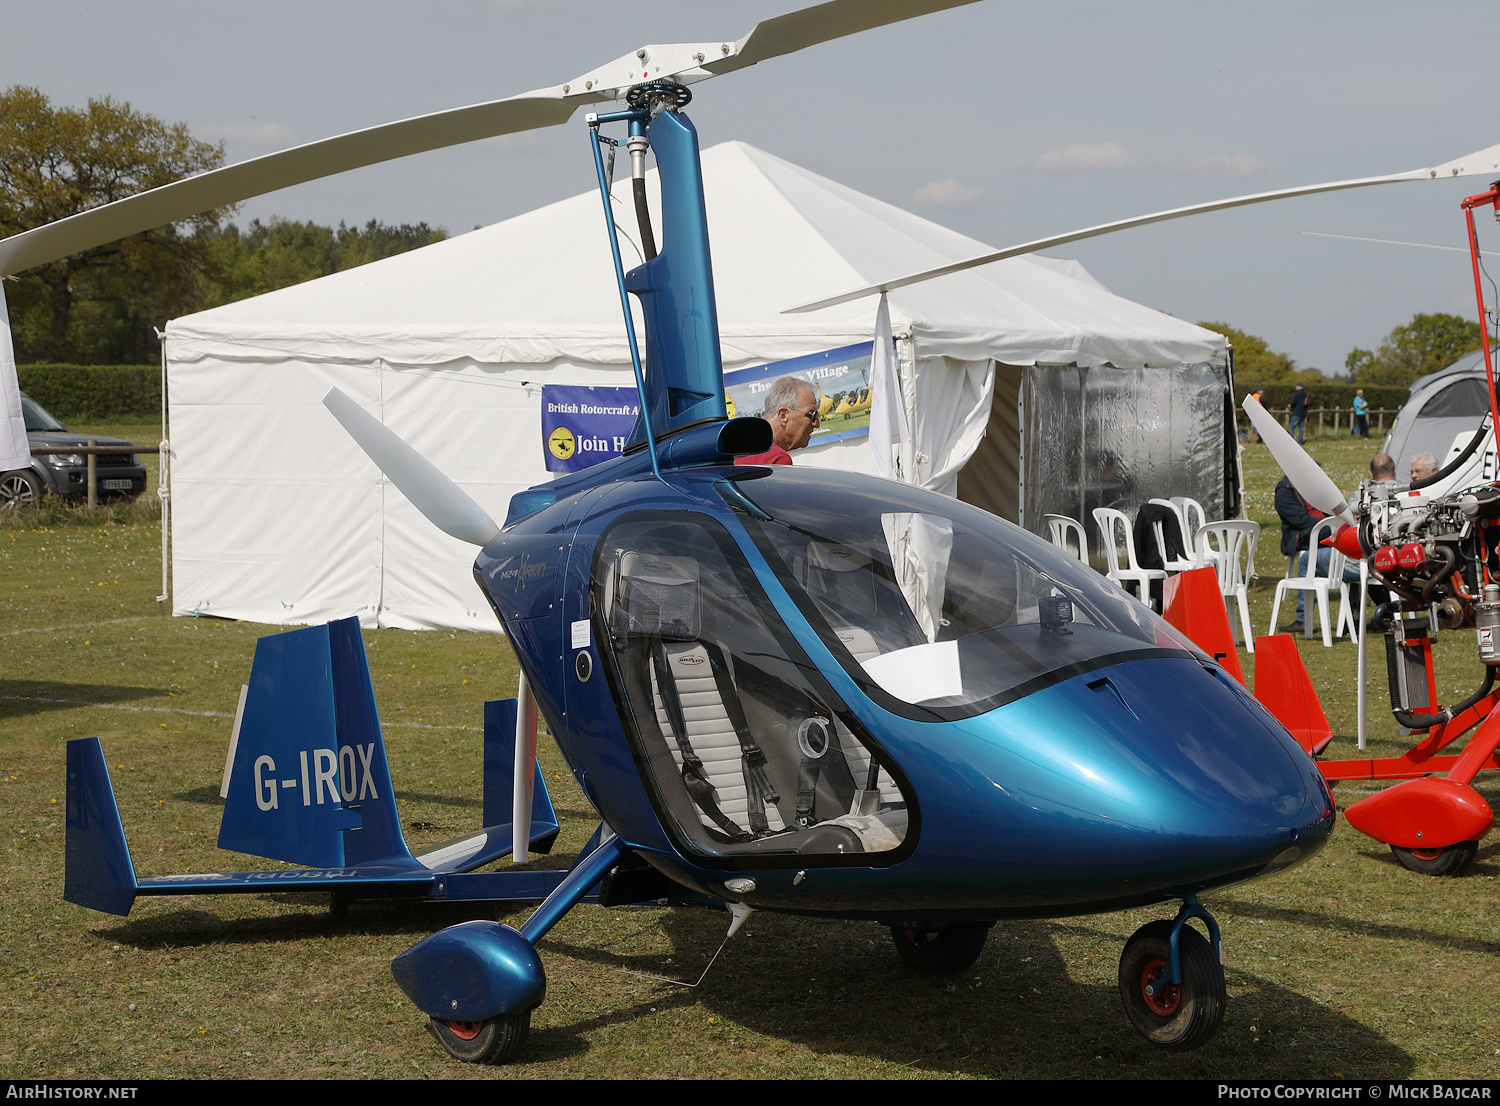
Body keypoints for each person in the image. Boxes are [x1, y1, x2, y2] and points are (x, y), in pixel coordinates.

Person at [1275, 472, 1361, 634]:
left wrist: (1335, 522)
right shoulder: (1284, 493)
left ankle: (1351, 611)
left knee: (1347, 542)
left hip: (1321, 530)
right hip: (1301, 535)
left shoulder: (1314, 490)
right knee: (1333, 541)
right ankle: (1304, 616)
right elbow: (1299, 520)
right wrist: (1329, 525)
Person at [740, 375, 820, 465]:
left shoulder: (737, 447)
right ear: (783, 415)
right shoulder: (777, 459)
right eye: (811, 414)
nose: (817, 424)